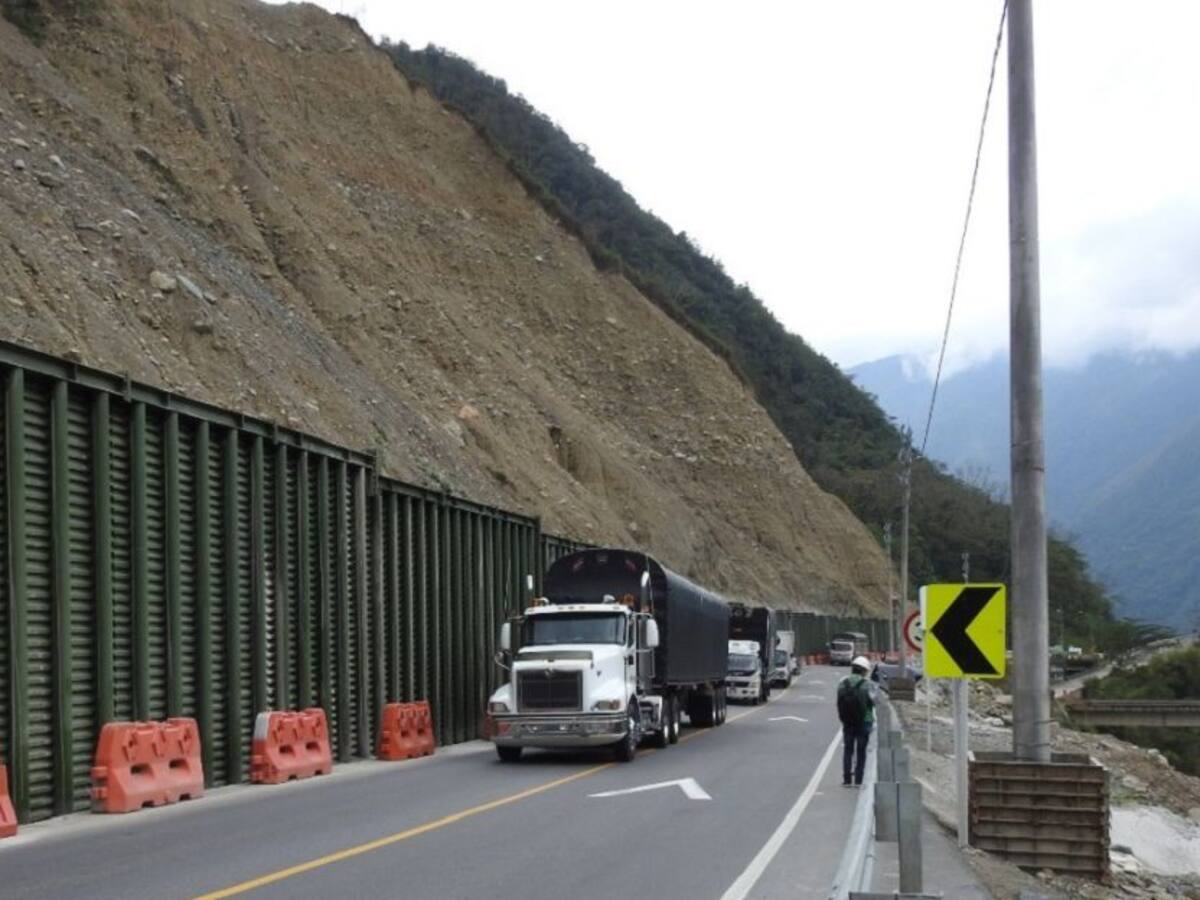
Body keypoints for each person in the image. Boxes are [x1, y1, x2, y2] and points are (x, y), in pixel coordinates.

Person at [836, 655, 877, 787]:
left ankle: (847, 779)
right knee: (861, 751)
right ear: (865, 670)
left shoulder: (843, 683)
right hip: (864, 722)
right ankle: (859, 780)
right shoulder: (868, 685)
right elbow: (874, 702)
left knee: (848, 750)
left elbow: (839, 702)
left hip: (847, 722)